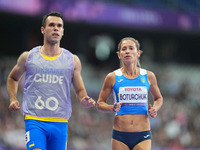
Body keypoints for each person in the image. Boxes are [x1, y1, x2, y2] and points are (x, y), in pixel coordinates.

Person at [7, 11, 96, 150]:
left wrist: (83, 98)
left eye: (59, 26)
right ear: (43, 30)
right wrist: (13, 98)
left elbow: (79, 89)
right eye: (51, 25)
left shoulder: (72, 60)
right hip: (34, 120)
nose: (56, 28)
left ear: (63, 31)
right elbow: (12, 78)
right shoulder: (28, 57)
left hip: (60, 122)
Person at [97, 37, 163, 150]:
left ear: (138, 53)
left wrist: (155, 108)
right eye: (124, 49)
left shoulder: (148, 76)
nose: (127, 51)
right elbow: (99, 104)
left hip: (143, 135)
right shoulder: (112, 77)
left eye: (131, 48)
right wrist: (111, 107)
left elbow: (159, 98)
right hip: (120, 135)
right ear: (119, 54)